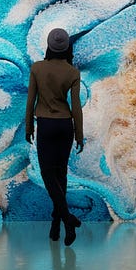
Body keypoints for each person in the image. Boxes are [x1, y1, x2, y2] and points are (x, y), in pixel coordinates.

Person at [25, 27, 84, 245]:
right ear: (66, 48)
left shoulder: (38, 69)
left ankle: (67, 219)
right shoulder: (72, 72)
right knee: (61, 175)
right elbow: (76, 107)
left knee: (48, 174)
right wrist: (79, 133)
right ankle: (56, 225)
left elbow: (30, 101)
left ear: (49, 46)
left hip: (47, 125)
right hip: (65, 126)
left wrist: (29, 127)